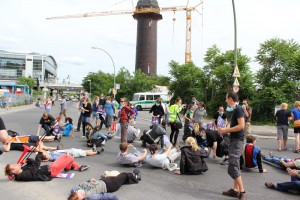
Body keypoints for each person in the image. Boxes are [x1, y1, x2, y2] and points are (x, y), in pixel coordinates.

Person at [219, 92, 246, 200]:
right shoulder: (236, 109)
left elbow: (241, 126)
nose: (225, 100)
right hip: (234, 139)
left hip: (237, 141)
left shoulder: (238, 109)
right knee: (236, 165)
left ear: (230, 98)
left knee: (232, 167)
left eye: (226, 98)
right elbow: (236, 125)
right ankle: (235, 190)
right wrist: (227, 129)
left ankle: (242, 192)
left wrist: (227, 130)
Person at [5, 153, 90, 181]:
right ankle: (78, 167)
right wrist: (39, 155)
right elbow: (35, 167)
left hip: (50, 166)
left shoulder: (22, 170)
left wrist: (28, 160)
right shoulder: (23, 175)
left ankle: (68, 167)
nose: (16, 164)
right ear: (13, 171)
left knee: (65, 156)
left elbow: (32, 164)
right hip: (53, 171)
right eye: (14, 166)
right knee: (70, 157)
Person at [68, 169, 141, 200]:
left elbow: (84, 183)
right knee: (123, 175)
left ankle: (133, 177)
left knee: (120, 178)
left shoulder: (74, 189)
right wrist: (115, 198)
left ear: (75, 193)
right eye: (82, 197)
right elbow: (104, 196)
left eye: (80, 193)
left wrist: (89, 180)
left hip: (102, 180)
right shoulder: (90, 196)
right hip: (110, 186)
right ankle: (135, 175)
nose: (83, 194)